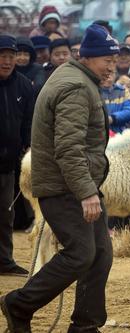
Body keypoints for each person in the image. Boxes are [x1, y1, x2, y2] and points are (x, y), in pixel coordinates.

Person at [0, 24, 119, 332]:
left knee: (100, 255)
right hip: (66, 187)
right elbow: (68, 148)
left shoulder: (77, 78)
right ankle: (20, 304)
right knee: (81, 254)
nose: (112, 66)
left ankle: (85, 325)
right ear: (90, 57)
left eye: (114, 59)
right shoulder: (77, 87)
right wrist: (86, 193)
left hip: (76, 184)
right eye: (107, 59)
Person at [0, 35, 34, 277]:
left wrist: (27, 147)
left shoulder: (23, 85)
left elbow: (28, 121)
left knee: (5, 213)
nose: (7, 61)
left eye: (11, 56)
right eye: (2, 55)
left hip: (8, 162)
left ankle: (4, 261)